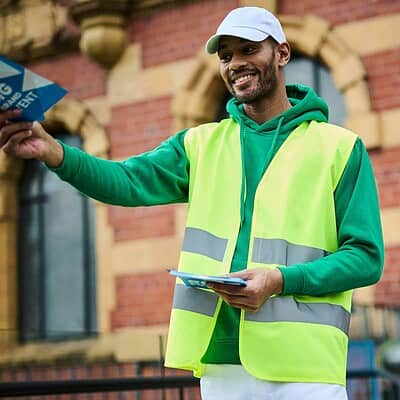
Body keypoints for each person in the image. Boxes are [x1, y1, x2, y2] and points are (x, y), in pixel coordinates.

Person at [0, 6, 384, 400]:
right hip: (219, 366)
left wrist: (280, 280)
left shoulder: (339, 148)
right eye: (226, 56)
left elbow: (366, 257)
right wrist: (54, 153)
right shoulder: (200, 144)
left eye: (248, 50)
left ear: (281, 54)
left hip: (305, 368)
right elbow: (125, 181)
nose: (236, 64)